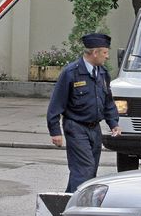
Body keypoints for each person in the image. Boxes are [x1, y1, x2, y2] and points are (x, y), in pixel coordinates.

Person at [47, 33, 122, 193]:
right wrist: (55, 132)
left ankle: (67, 204)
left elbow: (108, 101)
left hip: (94, 129)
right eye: (105, 52)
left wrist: (113, 123)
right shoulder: (71, 73)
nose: (107, 56)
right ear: (95, 53)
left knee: (90, 171)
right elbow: (56, 103)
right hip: (76, 127)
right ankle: (76, 208)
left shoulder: (102, 73)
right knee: (84, 169)